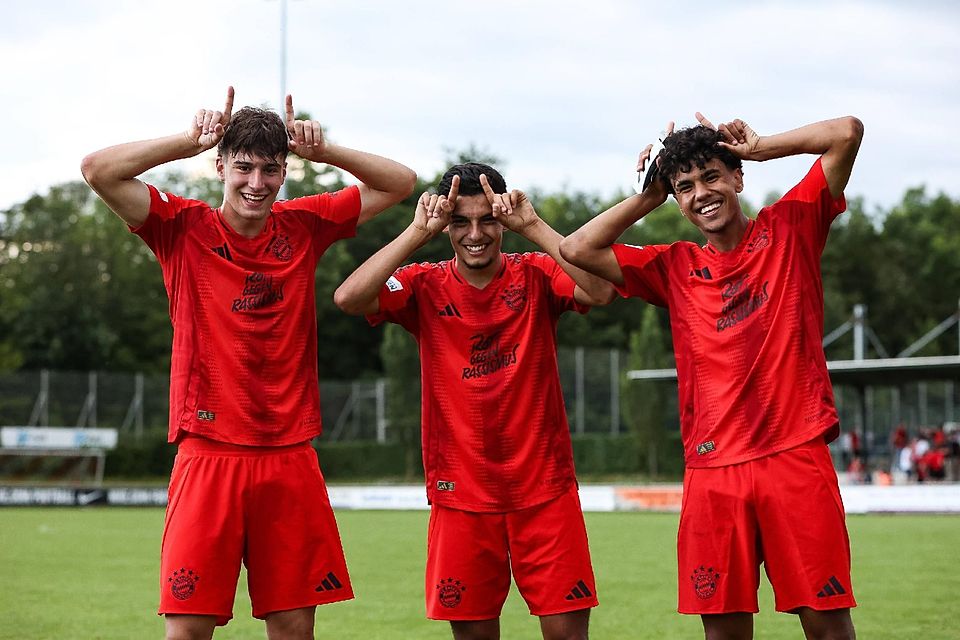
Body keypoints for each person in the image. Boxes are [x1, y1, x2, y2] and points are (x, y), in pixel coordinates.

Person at [80, 87, 416, 640]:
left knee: (293, 628)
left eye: (270, 169)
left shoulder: (305, 223)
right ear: (220, 167)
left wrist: (325, 152)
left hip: (289, 454)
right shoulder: (180, 225)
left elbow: (400, 183)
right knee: (187, 630)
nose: (256, 182)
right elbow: (98, 170)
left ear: (284, 172)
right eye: (243, 167)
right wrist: (188, 140)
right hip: (208, 451)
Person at [561, 113, 864, 640]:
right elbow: (576, 249)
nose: (701, 193)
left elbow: (847, 133)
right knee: (723, 631)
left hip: (794, 456)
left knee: (828, 625)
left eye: (711, 176)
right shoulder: (672, 266)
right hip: (713, 470)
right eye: (685, 187)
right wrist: (648, 196)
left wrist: (761, 147)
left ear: (737, 177)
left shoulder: (790, 227)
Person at [333, 163, 615, 640]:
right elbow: (349, 297)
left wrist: (533, 225)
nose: (475, 234)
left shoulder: (537, 273)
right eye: (460, 222)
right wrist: (417, 232)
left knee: (568, 634)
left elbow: (601, 289)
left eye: (487, 220)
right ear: (446, 227)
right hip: (460, 494)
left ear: (502, 221)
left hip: (544, 490)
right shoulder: (423, 284)